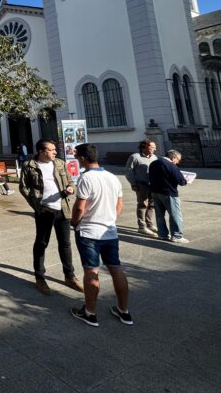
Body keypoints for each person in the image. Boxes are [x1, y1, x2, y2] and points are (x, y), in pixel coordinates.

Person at [70, 143, 132, 328]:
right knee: (116, 269)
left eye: (77, 156)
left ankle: (90, 312)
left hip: (89, 231)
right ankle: (123, 310)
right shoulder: (112, 177)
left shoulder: (86, 178)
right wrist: (110, 219)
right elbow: (119, 205)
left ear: (82, 158)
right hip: (109, 231)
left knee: (91, 270)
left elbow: (80, 206)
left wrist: (74, 222)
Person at [19, 139, 83, 295]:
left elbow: (70, 182)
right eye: (51, 149)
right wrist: (37, 206)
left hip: (62, 208)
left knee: (65, 244)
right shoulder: (29, 166)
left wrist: (71, 189)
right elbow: (23, 187)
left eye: (55, 149)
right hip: (44, 210)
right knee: (41, 243)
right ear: (41, 151)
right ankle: (40, 278)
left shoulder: (60, 163)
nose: (55, 152)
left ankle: (70, 276)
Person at [149, 149, 189, 243]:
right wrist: (185, 180)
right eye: (178, 160)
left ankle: (162, 234)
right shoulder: (171, 165)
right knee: (175, 215)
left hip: (155, 191)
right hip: (169, 193)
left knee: (159, 215)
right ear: (173, 157)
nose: (178, 162)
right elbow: (181, 181)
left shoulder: (154, 163)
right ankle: (177, 235)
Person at [125, 139, 158, 237]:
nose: (154, 149)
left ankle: (150, 224)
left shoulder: (154, 157)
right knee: (142, 205)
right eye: (151, 147)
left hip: (153, 185)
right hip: (141, 185)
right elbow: (128, 171)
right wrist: (133, 184)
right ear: (144, 147)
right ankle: (142, 227)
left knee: (152, 205)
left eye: (154, 147)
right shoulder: (135, 157)